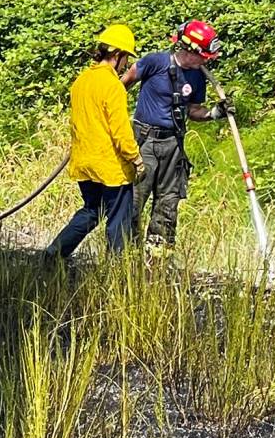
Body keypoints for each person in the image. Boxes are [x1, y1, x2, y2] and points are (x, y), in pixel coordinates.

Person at [121, 20, 234, 252]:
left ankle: (158, 256)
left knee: (168, 201)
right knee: (134, 199)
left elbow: (193, 111)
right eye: (203, 55)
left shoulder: (197, 77)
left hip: (173, 143)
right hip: (144, 142)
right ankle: (125, 255)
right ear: (190, 50)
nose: (206, 61)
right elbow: (120, 86)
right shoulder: (154, 62)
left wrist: (215, 113)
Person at [45, 24, 146, 259]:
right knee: (118, 220)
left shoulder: (81, 81)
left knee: (92, 211)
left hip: (84, 164)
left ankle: (55, 254)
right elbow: (120, 130)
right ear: (117, 55)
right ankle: (117, 270)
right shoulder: (112, 86)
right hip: (111, 167)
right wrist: (136, 159)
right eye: (126, 58)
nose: (126, 64)